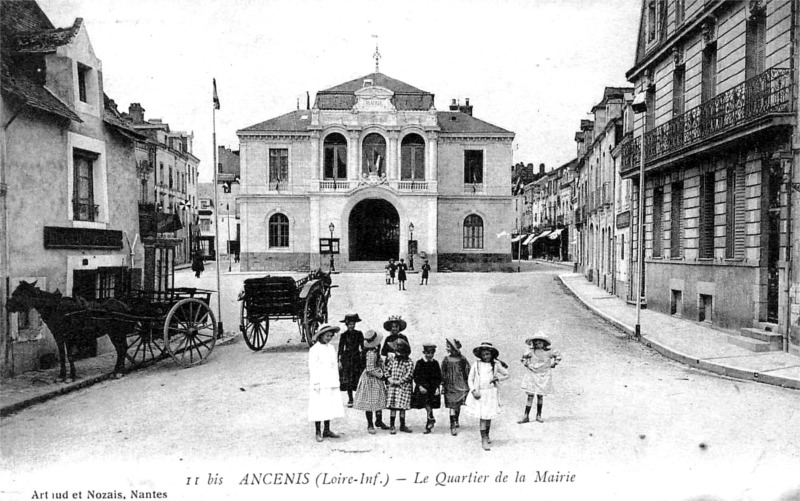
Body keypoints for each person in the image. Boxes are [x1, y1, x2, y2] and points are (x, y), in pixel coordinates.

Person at [465, 342, 509, 451]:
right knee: (483, 417)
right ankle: (483, 439)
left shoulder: (495, 365)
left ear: (492, 354)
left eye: (488, 354)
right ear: (480, 355)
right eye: (484, 354)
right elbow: (470, 379)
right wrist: (473, 390)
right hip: (480, 394)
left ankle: (487, 435)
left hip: (491, 394)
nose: (486, 356)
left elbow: (507, 374)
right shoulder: (476, 364)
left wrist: (498, 378)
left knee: (488, 416)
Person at [308, 323, 344, 442]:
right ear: (321, 335)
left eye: (331, 336)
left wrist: (336, 380)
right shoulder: (314, 350)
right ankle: (318, 431)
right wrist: (316, 383)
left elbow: (334, 366)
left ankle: (327, 429)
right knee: (319, 406)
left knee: (329, 405)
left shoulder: (331, 348)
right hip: (320, 382)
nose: (329, 338)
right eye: (327, 336)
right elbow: (313, 368)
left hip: (331, 380)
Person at [518, 333, 561, 424]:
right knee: (530, 395)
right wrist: (527, 364)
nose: (538, 345)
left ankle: (539, 415)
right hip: (532, 374)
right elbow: (523, 358)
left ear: (544, 344)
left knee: (540, 395)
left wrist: (554, 363)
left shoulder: (549, 352)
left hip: (543, 375)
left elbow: (558, 356)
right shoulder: (530, 351)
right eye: (536, 343)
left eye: (540, 343)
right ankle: (526, 416)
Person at [353, 330, 388, 434]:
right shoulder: (371, 353)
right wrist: (381, 376)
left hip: (376, 378)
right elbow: (370, 369)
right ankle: (370, 424)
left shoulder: (375, 351)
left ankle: (379, 420)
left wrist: (384, 370)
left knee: (378, 399)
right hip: (370, 379)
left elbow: (380, 363)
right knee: (370, 401)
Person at [441, 338, 470, 436]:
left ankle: (456, 419)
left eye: (449, 346)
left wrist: (468, 383)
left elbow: (467, 370)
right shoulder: (446, 359)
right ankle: (452, 425)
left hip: (460, 384)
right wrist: (442, 384)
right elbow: (443, 372)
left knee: (457, 403)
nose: (447, 348)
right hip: (450, 384)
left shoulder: (462, 359)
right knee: (452, 404)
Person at [384, 338, 414, 434]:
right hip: (393, 387)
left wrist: (400, 381)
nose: (396, 353)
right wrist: (389, 379)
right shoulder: (393, 361)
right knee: (393, 406)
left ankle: (402, 425)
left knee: (402, 407)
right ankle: (392, 425)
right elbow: (386, 370)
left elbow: (409, 374)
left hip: (403, 387)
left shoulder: (409, 362)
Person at [411, 343, 442, 434]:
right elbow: (415, 376)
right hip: (422, 387)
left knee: (429, 403)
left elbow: (438, 377)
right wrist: (420, 386)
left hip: (432, 387)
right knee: (425, 402)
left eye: (432, 353)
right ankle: (430, 418)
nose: (430, 355)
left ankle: (429, 421)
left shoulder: (435, 363)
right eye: (428, 353)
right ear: (424, 352)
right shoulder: (420, 363)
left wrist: (437, 387)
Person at [338, 313, 365, 407]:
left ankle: (358, 398)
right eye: (350, 324)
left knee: (357, 377)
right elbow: (341, 349)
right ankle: (350, 398)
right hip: (347, 358)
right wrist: (340, 360)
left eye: (353, 324)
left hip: (357, 357)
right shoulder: (344, 335)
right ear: (346, 324)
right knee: (348, 379)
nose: (351, 326)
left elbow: (363, 346)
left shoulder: (359, 334)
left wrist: (363, 356)